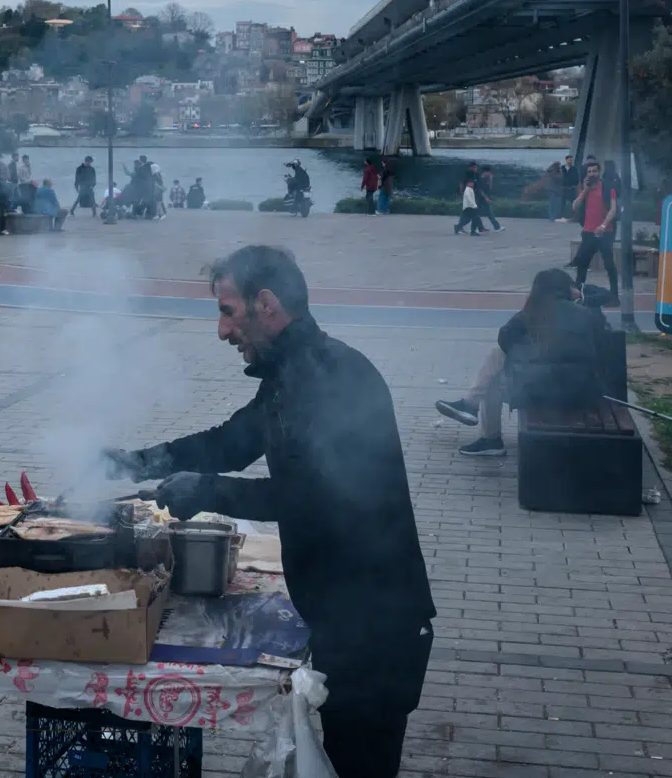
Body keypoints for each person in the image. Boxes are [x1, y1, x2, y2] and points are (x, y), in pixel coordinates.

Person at [101, 246, 435, 778]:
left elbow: (313, 500)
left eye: (227, 312)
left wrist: (205, 491)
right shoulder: (292, 375)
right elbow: (230, 442)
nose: (222, 331)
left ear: (266, 304)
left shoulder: (332, 379)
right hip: (343, 616)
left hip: (376, 625)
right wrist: (136, 462)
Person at [435, 268, 605, 456]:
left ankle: (487, 434)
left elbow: (504, 338)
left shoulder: (534, 311)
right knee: (500, 363)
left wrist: (522, 356)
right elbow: (598, 339)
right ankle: (470, 406)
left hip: (547, 395)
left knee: (493, 378)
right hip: (583, 392)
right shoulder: (587, 313)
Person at [571, 160, 620, 306]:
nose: (592, 174)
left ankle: (614, 296)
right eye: (589, 172)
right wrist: (585, 190)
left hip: (605, 232)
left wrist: (604, 225)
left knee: (609, 264)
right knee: (582, 264)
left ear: (599, 172)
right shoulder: (585, 189)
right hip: (588, 232)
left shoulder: (608, 187)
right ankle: (578, 294)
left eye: (595, 171)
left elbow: (613, 210)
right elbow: (575, 207)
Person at [559, 154, 579, 221]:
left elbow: (577, 178)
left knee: (573, 202)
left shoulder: (574, 169)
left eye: (571, 160)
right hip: (563, 188)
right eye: (569, 160)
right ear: (566, 160)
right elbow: (558, 177)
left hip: (571, 188)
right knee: (562, 203)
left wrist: (575, 184)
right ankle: (561, 216)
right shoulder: (562, 168)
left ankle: (573, 216)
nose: (570, 161)